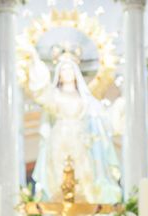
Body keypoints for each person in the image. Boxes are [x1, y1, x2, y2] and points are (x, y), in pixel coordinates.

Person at [27, 48, 122, 204]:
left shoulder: (86, 99)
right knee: (57, 176)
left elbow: (102, 119)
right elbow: (41, 93)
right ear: (58, 74)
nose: (67, 72)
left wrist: (118, 107)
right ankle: (57, 215)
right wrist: (36, 62)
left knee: (84, 175)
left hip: (80, 141)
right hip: (59, 140)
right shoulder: (54, 95)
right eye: (63, 69)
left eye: (70, 68)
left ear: (76, 72)